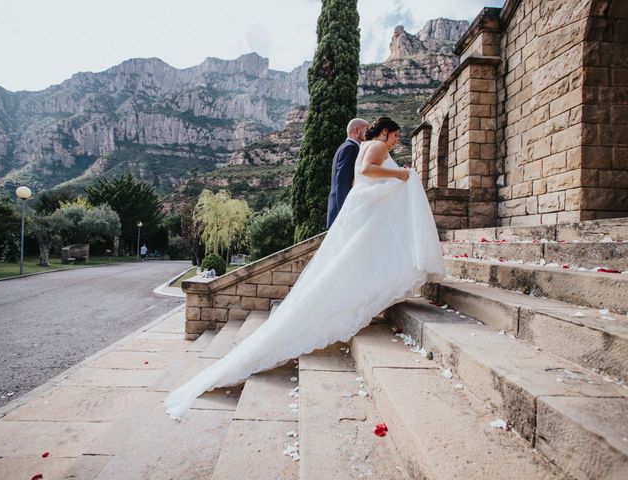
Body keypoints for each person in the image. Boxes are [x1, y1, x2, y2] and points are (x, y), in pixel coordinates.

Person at [165, 116, 446, 421]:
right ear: (387, 132)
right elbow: (366, 172)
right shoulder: (376, 145)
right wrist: (402, 176)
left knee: (351, 264)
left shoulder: (367, 144)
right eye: (396, 137)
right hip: (364, 209)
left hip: (363, 208)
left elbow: (361, 179)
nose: (395, 142)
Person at [326, 118, 370, 228]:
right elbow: (343, 182)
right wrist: (345, 212)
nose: (369, 133)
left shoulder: (346, 147)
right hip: (341, 211)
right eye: (366, 129)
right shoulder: (351, 148)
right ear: (356, 130)